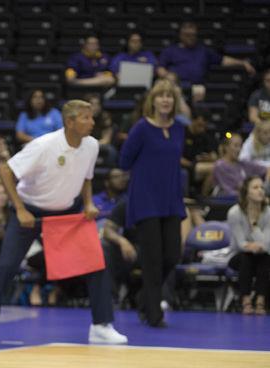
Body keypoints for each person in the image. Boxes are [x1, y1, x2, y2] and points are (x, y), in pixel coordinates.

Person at [0, 100, 127, 345]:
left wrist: (87, 203)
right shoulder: (43, 146)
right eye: (86, 118)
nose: (92, 122)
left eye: (91, 117)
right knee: (7, 266)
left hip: (67, 213)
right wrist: (20, 209)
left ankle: (101, 325)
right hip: (30, 211)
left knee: (96, 263)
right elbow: (6, 171)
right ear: (70, 122)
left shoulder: (92, 145)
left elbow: (87, 177)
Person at [119, 79, 186, 328]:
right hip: (146, 200)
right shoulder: (141, 128)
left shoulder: (179, 128)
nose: (166, 99)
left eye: (170, 96)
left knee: (173, 254)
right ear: (153, 100)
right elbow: (124, 162)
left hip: (171, 199)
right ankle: (153, 313)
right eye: (161, 96)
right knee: (153, 259)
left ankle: (143, 297)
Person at [157, 22, 255, 86]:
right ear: (181, 35)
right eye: (187, 35)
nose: (190, 38)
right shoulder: (170, 51)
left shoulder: (204, 51)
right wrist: (168, 76)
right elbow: (160, 68)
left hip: (198, 87)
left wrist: (242, 63)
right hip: (176, 86)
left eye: (193, 35)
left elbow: (222, 60)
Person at [227, 176, 270, 315]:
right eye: (255, 187)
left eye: (262, 187)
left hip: (262, 254)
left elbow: (267, 243)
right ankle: (245, 300)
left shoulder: (268, 212)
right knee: (246, 257)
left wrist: (254, 225)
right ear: (247, 193)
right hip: (238, 256)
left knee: (266, 259)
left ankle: (260, 300)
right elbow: (240, 244)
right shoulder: (234, 213)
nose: (260, 191)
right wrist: (253, 246)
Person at [212, 133, 268, 198]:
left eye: (240, 146)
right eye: (236, 146)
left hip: (247, 199)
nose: (239, 149)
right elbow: (230, 190)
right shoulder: (220, 166)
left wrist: (266, 183)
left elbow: (266, 169)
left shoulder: (243, 164)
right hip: (227, 202)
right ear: (226, 147)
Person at [181, 108, 218, 196]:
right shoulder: (182, 133)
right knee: (213, 168)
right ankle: (204, 199)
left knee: (218, 166)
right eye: (199, 125)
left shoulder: (204, 135)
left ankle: (205, 196)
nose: (202, 128)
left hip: (199, 165)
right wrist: (191, 164)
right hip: (185, 165)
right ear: (193, 120)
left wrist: (208, 158)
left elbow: (213, 154)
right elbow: (176, 157)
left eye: (204, 125)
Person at [84, 92, 117, 166]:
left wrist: (90, 145)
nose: (95, 107)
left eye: (97, 104)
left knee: (110, 150)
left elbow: (106, 140)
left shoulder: (105, 117)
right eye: (92, 104)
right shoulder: (81, 119)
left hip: (100, 147)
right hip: (85, 147)